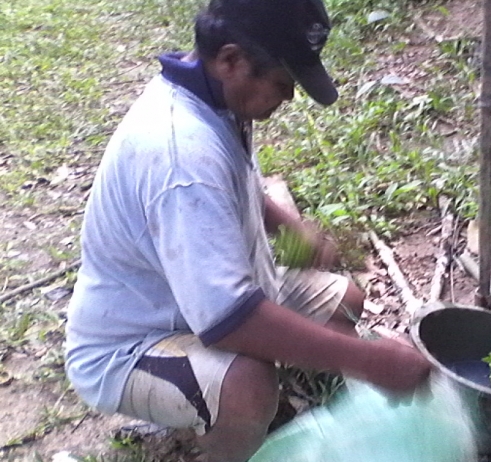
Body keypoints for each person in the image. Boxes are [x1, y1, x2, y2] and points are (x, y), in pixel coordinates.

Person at [64, 0, 433, 460]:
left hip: (198, 297)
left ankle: (282, 392)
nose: (290, 96)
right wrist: (371, 362)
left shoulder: (214, 96)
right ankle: (226, 444)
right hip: (133, 342)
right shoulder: (180, 153)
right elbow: (228, 320)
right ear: (231, 60)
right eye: (283, 83)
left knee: (344, 302)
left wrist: (288, 227)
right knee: (249, 385)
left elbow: (235, 186)